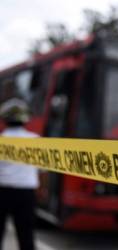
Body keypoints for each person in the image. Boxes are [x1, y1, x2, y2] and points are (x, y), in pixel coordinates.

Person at [0, 98, 39, 250]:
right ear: (25, 119)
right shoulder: (35, 141)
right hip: (26, 193)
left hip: (1, 191)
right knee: (26, 235)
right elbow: (42, 168)